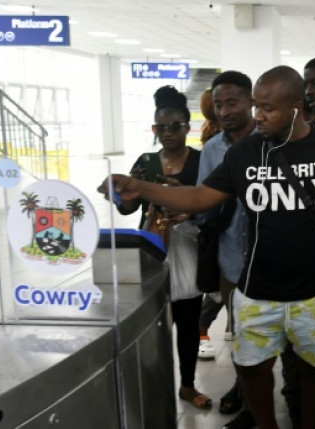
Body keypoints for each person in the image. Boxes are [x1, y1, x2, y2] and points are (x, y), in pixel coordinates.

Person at [102, 67, 315, 429]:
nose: (259, 116)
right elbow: (199, 196)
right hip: (257, 289)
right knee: (250, 365)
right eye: (257, 106)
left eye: (268, 109)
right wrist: (141, 188)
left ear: (296, 108)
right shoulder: (244, 153)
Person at [116, 86, 211, 412]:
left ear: (187, 127)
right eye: (160, 128)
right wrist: (123, 193)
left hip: (188, 247)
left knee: (187, 325)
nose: (167, 134)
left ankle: (187, 386)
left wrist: (183, 197)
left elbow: (210, 203)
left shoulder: (201, 160)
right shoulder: (145, 162)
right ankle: (153, 387)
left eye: (175, 126)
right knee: (152, 326)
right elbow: (127, 209)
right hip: (153, 248)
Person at [194, 71, 259, 428]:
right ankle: (246, 395)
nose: (224, 111)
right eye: (218, 104)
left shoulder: (271, 143)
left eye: (232, 102)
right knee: (242, 335)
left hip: (274, 258)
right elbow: (204, 202)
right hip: (232, 260)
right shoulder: (212, 149)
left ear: (250, 102)